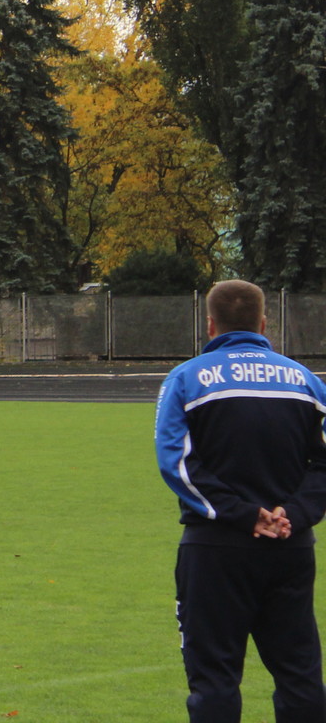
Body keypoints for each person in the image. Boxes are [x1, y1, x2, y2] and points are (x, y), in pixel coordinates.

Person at [156, 279, 326, 722]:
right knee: (300, 677)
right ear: (264, 323)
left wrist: (243, 515)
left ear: (210, 325)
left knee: (214, 680)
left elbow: (176, 462)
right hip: (290, 548)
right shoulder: (306, 381)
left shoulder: (187, 378)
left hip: (215, 549)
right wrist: (294, 512)